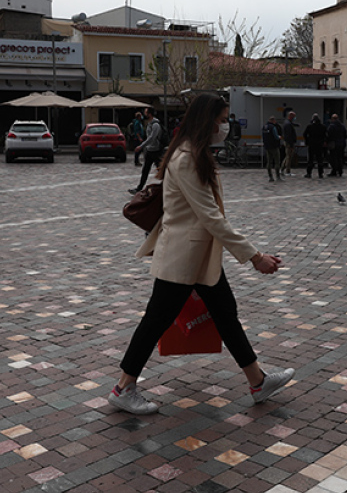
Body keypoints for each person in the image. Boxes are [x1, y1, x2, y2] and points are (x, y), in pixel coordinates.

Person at [107, 93, 293, 415]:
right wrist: (254, 256)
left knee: (225, 315)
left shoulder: (196, 154)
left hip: (198, 259)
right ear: (207, 121)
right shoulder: (186, 159)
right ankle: (123, 388)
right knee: (155, 322)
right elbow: (210, 216)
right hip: (182, 259)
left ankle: (258, 381)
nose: (225, 127)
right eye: (221, 121)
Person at [129, 108, 164, 194]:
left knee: (161, 170)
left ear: (149, 114)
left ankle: (168, 186)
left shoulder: (155, 125)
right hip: (149, 150)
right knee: (145, 170)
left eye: (145, 112)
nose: (144, 114)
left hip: (156, 151)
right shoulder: (149, 124)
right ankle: (139, 188)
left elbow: (152, 138)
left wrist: (141, 146)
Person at [303, 114, 327, 179]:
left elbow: (304, 134)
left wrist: (307, 141)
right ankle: (320, 174)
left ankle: (309, 173)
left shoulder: (309, 126)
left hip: (311, 144)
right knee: (320, 159)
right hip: (319, 145)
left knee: (310, 159)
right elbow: (326, 136)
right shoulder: (323, 127)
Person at [262, 116, 283, 182]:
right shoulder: (273, 127)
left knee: (269, 162)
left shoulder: (264, 127)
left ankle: (270, 176)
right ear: (273, 121)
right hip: (274, 146)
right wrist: (279, 137)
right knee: (277, 161)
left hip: (267, 146)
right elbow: (276, 136)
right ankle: (278, 176)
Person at [280, 111, 298, 176]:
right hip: (289, 143)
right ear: (290, 116)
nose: (294, 118)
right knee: (289, 157)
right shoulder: (288, 124)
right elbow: (289, 135)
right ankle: (287, 171)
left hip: (288, 142)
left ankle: (282, 169)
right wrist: (291, 144)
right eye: (293, 116)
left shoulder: (287, 123)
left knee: (288, 156)